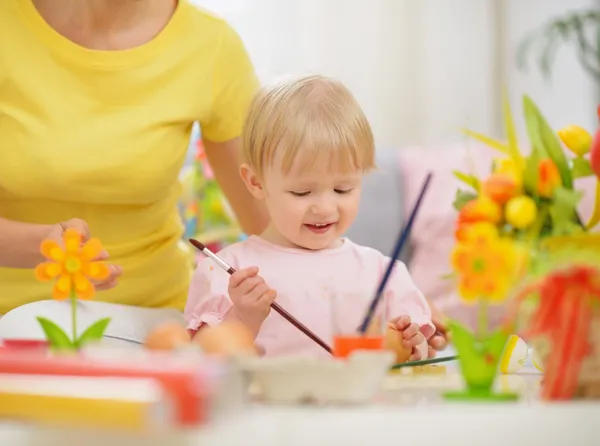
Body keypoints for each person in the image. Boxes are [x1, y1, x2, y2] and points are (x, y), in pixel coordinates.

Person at [0, 0, 268, 340]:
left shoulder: (210, 46)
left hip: (156, 327)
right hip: (10, 324)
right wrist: (40, 244)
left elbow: (274, 222)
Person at [185, 75, 435, 359]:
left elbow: (420, 357)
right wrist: (244, 317)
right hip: (267, 404)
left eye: (343, 189)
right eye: (302, 192)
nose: (325, 208)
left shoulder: (381, 272)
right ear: (256, 183)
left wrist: (412, 344)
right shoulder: (229, 271)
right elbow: (203, 358)